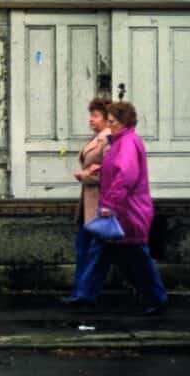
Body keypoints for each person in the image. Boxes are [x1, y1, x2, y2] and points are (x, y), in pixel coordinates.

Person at [78, 101, 169, 316]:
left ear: (124, 122)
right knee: (102, 251)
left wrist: (109, 205)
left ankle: (157, 299)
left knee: (137, 257)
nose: (109, 125)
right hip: (124, 210)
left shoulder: (126, 143)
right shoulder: (121, 141)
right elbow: (119, 169)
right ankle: (83, 296)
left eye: (112, 122)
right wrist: (102, 167)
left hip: (128, 212)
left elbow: (125, 177)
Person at [60, 98, 111, 306]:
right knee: (84, 249)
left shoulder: (107, 139)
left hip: (99, 205)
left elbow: (111, 173)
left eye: (95, 115)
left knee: (92, 252)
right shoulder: (97, 137)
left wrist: (85, 176)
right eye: (91, 115)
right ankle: (79, 292)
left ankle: (84, 295)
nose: (91, 119)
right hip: (88, 205)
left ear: (108, 119)